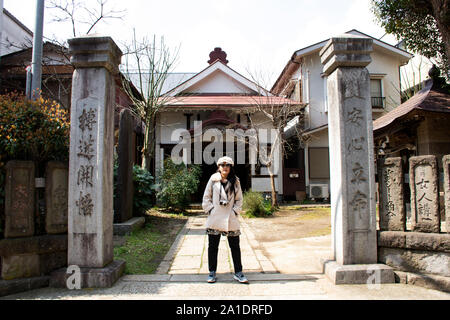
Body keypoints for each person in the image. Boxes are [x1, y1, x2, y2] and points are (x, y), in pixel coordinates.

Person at [202, 156, 248, 284]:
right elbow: (207, 196)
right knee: (213, 246)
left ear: (231, 167)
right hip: (216, 216)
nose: (225, 167)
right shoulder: (213, 179)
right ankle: (212, 272)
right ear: (219, 167)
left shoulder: (235, 181)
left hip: (230, 217)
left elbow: (239, 199)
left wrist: (235, 211)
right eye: (222, 165)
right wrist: (210, 210)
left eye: (227, 165)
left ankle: (238, 272)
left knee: (235, 246)